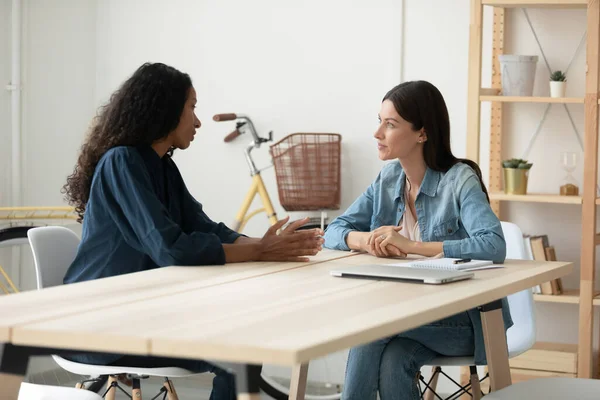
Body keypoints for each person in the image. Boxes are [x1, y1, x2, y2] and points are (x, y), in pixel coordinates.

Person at [61, 62, 323, 400]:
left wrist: (264, 243)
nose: (198, 121)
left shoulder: (163, 168)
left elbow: (205, 227)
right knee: (241, 351)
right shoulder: (121, 162)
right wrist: (260, 250)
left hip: (140, 313)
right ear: (165, 108)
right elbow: (171, 249)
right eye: (192, 107)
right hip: (98, 327)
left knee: (249, 339)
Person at [323, 80, 512, 400]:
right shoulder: (388, 178)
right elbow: (334, 230)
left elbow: (493, 245)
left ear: (422, 133)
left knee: (370, 331)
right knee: (394, 360)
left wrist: (414, 248)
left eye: (390, 124)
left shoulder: (458, 179)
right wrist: (365, 240)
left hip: (466, 323)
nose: (377, 133)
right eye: (379, 121)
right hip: (406, 313)